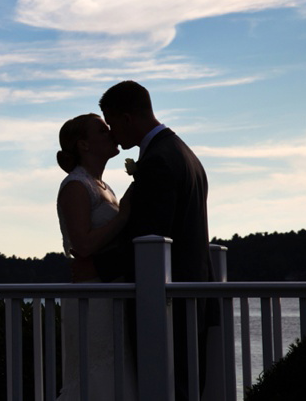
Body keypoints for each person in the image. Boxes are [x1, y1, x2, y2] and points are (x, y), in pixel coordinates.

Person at [96, 80, 215, 401]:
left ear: (127, 119)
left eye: (111, 124)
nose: (112, 134)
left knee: (166, 387)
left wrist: (95, 268)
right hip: (191, 295)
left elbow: (149, 237)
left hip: (167, 303)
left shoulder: (158, 160)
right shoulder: (182, 152)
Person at [56, 113, 137, 401]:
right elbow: (82, 244)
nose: (111, 133)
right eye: (103, 131)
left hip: (112, 291)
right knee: (96, 373)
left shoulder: (103, 186)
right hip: (93, 296)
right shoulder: (76, 186)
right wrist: (124, 215)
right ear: (84, 145)